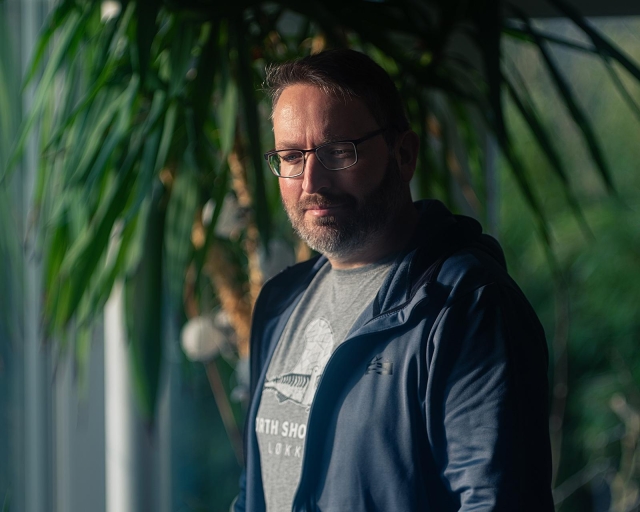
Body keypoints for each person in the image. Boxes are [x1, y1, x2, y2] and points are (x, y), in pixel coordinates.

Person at [233, 48, 553, 512]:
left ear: (403, 155)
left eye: (338, 151)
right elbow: (255, 491)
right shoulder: (280, 304)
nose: (310, 181)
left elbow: (497, 502)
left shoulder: (466, 307)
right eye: (290, 156)